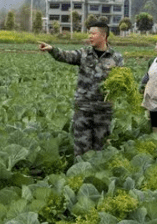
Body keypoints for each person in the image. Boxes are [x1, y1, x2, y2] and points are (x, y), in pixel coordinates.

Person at [39, 20, 124, 156]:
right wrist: (52, 49)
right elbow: (66, 56)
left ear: (103, 36)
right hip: (83, 109)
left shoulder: (116, 58)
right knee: (80, 147)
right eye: (89, 33)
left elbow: (122, 81)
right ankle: (79, 173)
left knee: (100, 148)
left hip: (103, 110)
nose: (89, 36)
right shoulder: (84, 54)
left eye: (93, 33)